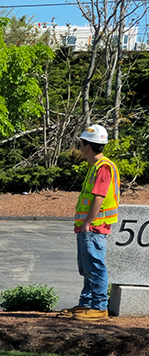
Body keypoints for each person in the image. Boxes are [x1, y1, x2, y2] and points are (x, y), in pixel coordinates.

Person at [71, 123, 119, 319]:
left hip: (95, 226)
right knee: (88, 267)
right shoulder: (95, 167)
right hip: (90, 226)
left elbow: (99, 197)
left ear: (88, 146)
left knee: (95, 266)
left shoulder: (103, 167)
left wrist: (87, 223)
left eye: (81, 144)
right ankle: (87, 303)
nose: (80, 148)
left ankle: (99, 307)